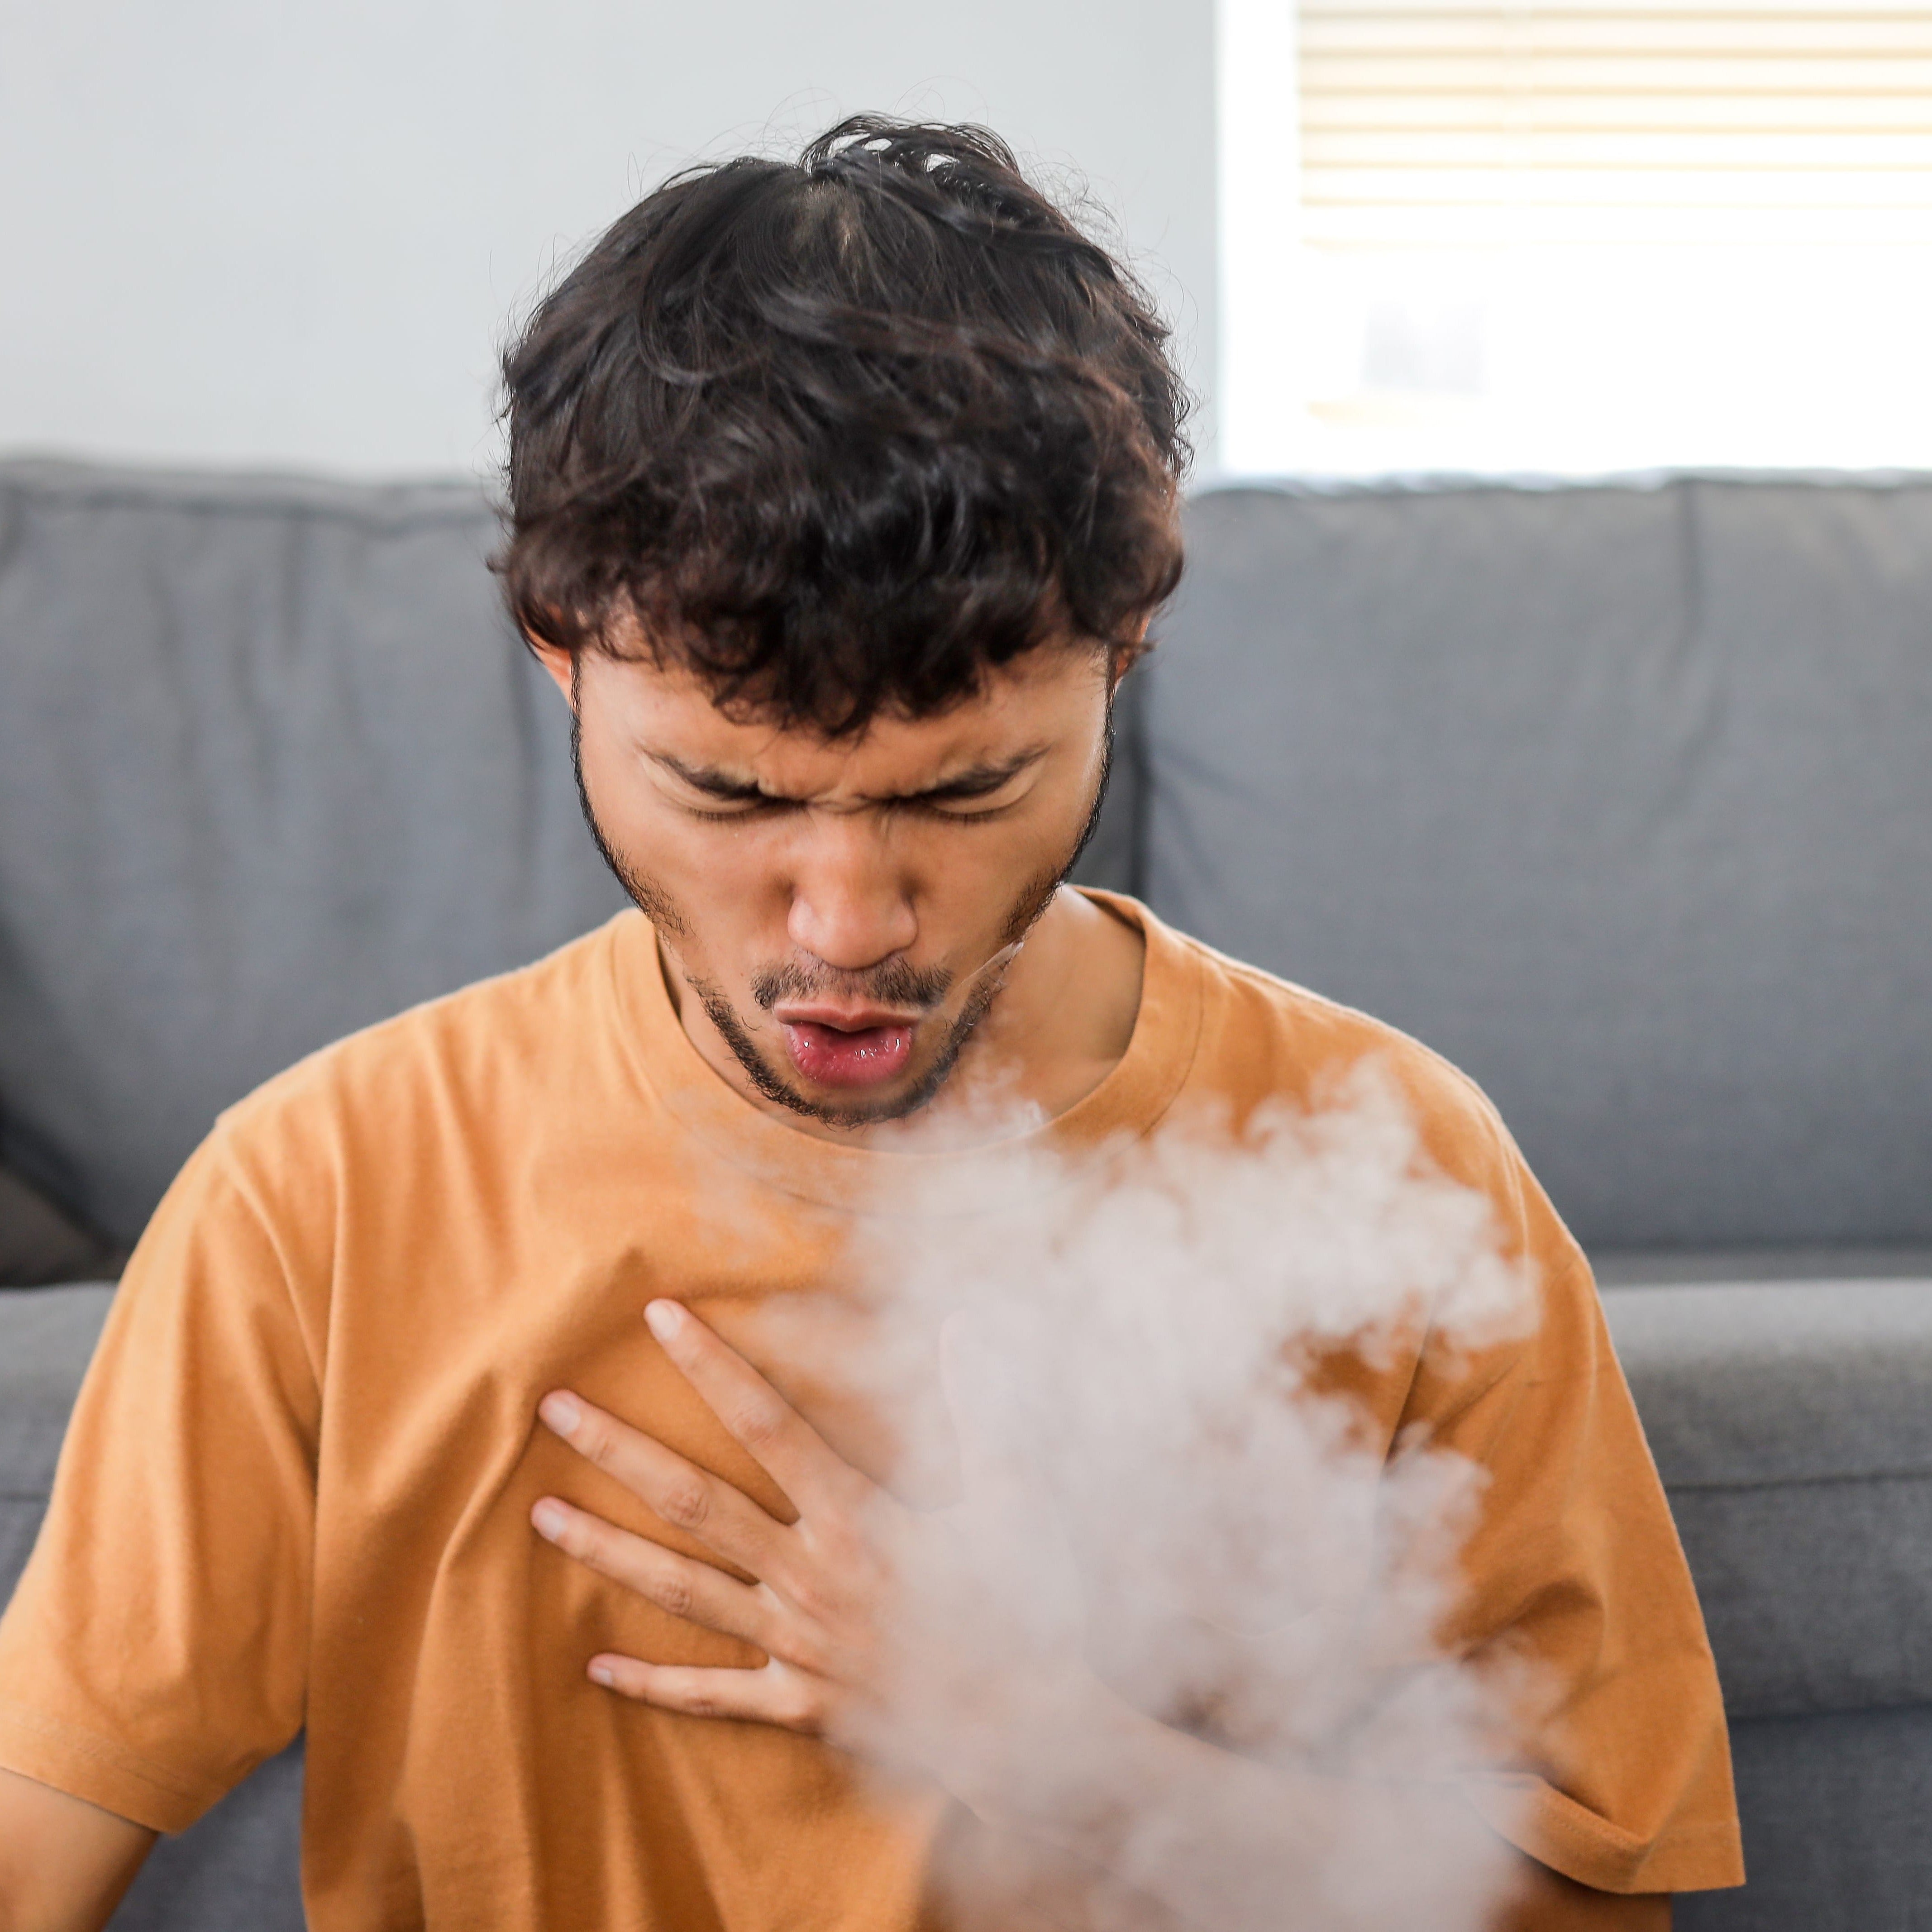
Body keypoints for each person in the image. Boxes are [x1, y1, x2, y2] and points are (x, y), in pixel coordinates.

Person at [0, 118, 1741, 1931]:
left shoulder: (1401, 1170)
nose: (846, 926)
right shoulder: (324, 1199)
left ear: (1126, 652)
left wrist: (1047, 1745)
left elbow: (1599, 1916)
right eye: (732, 796)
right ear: (556, 649)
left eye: (963, 791)